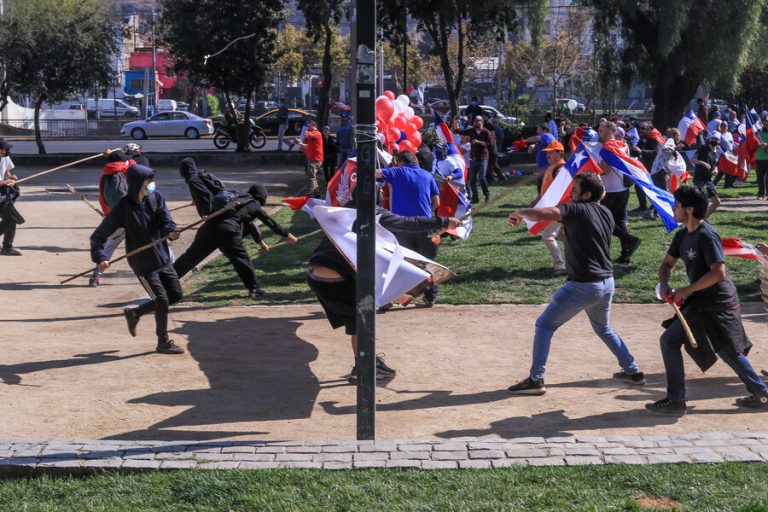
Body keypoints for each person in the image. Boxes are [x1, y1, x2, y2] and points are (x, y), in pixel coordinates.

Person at [507, 172, 645, 395]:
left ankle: (536, 379)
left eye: (575, 189)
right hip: (607, 282)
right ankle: (633, 371)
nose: (571, 193)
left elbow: (550, 213)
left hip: (583, 285)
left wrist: (520, 213)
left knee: (544, 325)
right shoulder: (605, 212)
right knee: (604, 328)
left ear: (587, 194)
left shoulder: (577, 209)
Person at [307, 190, 460, 383]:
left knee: (361, 321)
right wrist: (443, 222)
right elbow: (408, 223)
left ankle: (366, 362)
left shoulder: (343, 212)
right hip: (336, 278)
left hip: (315, 275)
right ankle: (364, 367)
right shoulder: (371, 214)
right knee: (362, 322)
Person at [647, 185, 768, 414]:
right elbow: (666, 264)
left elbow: (718, 272)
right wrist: (665, 285)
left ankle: (676, 400)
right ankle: (762, 394)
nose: (673, 208)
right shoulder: (682, 235)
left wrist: (686, 290)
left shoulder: (707, 235)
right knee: (727, 351)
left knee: (672, 341)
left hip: (718, 301)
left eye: (677, 205)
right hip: (702, 300)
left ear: (689, 210)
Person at [90, 164, 185, 354]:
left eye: (150, 180)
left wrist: (171, 232)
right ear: (135, 184)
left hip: (162, 257)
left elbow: (166, 221)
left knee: (175, 295)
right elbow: (98, 236)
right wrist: (100, 257)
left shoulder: (156, 198)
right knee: (161, 299)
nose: (150, 184)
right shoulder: (122, 208)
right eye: (146, 181)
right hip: (143, 263)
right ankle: (163, 341)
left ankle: (135, 313)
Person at [173, 184, 298, 298]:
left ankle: (167, 279)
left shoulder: (237, 199)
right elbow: (269, 221)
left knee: (191, 257)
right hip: (228, 231)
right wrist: (287, 235)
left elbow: (250, 225)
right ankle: (254, 289)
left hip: (208, 228)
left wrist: (260, 242)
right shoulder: (254, 203)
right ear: (262, 198)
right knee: (241, 259)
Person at [377, 151, 441, 306]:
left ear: (401, 162)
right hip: (426, 225)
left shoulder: (398, 171)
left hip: (403, 225)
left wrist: (390, 168)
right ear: (416, 160)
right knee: (427, 262)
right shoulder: (427, 175)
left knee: (398, 263)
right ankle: (430, 297)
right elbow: (436, 203)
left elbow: (375, 174)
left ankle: (388, 299)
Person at [597, 121, 642, 264]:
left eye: (601, 131)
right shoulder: (623, 145)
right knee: (620, 221)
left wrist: (592, 167)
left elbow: (606, 170)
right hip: (623, 188)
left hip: (609, 190)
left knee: (605, 222)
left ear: (610, 131)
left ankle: (629, 241)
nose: (599, 133)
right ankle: (625, 255)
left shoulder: (607, 147)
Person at [90, 149, 132, 286]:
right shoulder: (127, 172)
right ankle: (173, 268)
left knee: (108, 248)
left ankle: (96, 276)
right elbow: (135, 164)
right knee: (154, 242)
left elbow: (103, 198)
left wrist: (108, 214)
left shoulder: (104, 176)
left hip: (114, 218)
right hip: (133, 218)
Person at [531, 141, 567, 277]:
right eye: (547, 152)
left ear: (560, 153)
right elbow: (547, 188)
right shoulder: (552, 167)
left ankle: (560, 266)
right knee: (565, 237)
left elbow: (561, 191)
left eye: (551, 152)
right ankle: (576, 261)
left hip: (557, 209)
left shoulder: (561, 169)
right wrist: (537, 199)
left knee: (547, 237)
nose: (548, 154)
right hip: (553, 208)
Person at [643, 138, 686, 220]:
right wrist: (676, 148)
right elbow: (665, 149)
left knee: (662, 193)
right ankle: (649, 212)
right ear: (674, 136)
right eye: (678, 136)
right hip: (658, 171)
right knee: (662, 193)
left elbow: (667, 161)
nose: (679, 138)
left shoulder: (672, 145)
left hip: (661, 172)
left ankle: (654, 212)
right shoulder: (670, 141)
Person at [453, 115, 492, 204]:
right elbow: (458, 131)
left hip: (483, 158)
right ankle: (475, 198)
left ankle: (487, 194)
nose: (475, 122)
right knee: (473, 180)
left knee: (482, 178)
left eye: (478, 121)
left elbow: (489, 144)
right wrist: (456, 122)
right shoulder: (471, 131)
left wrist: (479, 142)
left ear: (482, 122)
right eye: (474, 121)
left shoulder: (486, 132)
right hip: (473, 158)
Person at [690, 131, 722, 218]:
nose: (714, 140)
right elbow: (692, 159)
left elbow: (716, 166)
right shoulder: (703, 148)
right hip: (699, 178)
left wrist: (715, 170)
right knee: (700, 201)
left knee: (717, 202)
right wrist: (702, 163)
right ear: (709, 138)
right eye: (713, 138)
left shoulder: (718, 152)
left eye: (716, 139)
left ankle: (702, 219)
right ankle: (690, 219)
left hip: (708, 180)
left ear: (719, 141)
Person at [630, 122, 661, 212]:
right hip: (644, 165)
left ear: (649, 129)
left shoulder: (655, 138)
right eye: (640, 128)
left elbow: (655, 153)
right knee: (638, 185)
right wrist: (632, 149)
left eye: (643, 128)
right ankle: (643, 205)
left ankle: (656, 208)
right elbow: (637, 150)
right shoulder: (644, 137)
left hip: (655, 167)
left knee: (655, 187)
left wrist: (641, 151)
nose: (640, 130)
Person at [0, 139, 22, 256]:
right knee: (11, 219)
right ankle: (7, 248)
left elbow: (7, 171)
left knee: (11, 219)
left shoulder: (5, 157)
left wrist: (11, 177)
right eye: (5, 148)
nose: (7, 151)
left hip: (2, 196)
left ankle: (7, 247)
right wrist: (5, 182)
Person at [294, 119, 323, 198]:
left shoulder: (317, 133)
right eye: (308, 126)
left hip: (316, 159)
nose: (308, 127)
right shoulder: (311, 134)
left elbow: (309, 135)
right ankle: (317, 193)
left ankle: (310, 193)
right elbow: (307, 146)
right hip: (312, 158)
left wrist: (306, 133)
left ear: (314, 126)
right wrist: (300, 143)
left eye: (310, 126)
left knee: (310, 176)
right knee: (312, 176)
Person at [753, 123, 768, 200]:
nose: (766, 124)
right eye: (765, 122)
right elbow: (753, 144)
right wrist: (758, 144)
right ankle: (761, 194)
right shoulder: (758, 133)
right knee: (760, 178)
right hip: (759, 158)